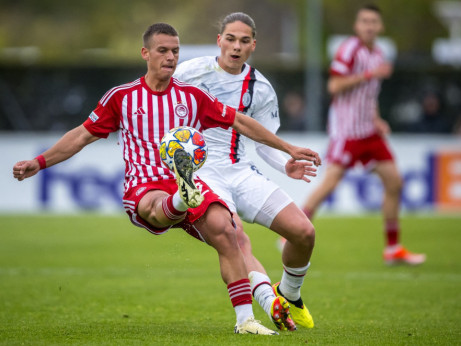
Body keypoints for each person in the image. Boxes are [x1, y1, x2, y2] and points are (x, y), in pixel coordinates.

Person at [12, 23, 321, 335]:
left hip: (188, 185)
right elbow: (80, 136)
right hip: (144, 188)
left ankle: (246, 321)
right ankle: (180, 197)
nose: (171, 57)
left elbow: (240, 121)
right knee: (159, 205)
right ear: (145, 53)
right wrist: (39, 162)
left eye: (175, 51)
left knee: (226, 231)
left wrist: (289, 148)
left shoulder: (193, 96)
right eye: (163, 50)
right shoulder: (122, 97)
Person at [174, 12, 318, 330]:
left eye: (243, 41)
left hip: (240, 170)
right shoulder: (189, 73)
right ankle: (264, 307)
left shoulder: (261, 88)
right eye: (230, 39)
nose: (236, 46)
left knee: (304, 233)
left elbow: (263, 141)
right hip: (202, 172)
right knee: (236, 235)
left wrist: (285, 164)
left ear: (253, 45)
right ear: (219, 41)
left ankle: (290, 295)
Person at [301, 4, 426, 265]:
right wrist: (368, 74)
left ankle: (393, 249)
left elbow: (369, 95)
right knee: (330, 183)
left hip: (369, 132)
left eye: (373, 22)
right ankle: (294, 230)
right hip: (346, 132)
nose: (369, 26)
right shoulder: (349, 50)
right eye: (364, 21)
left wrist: (377, 119)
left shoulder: (378, 53)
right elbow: (334, 85)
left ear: (380, 27)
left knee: (395, 183)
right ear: (357, 26)